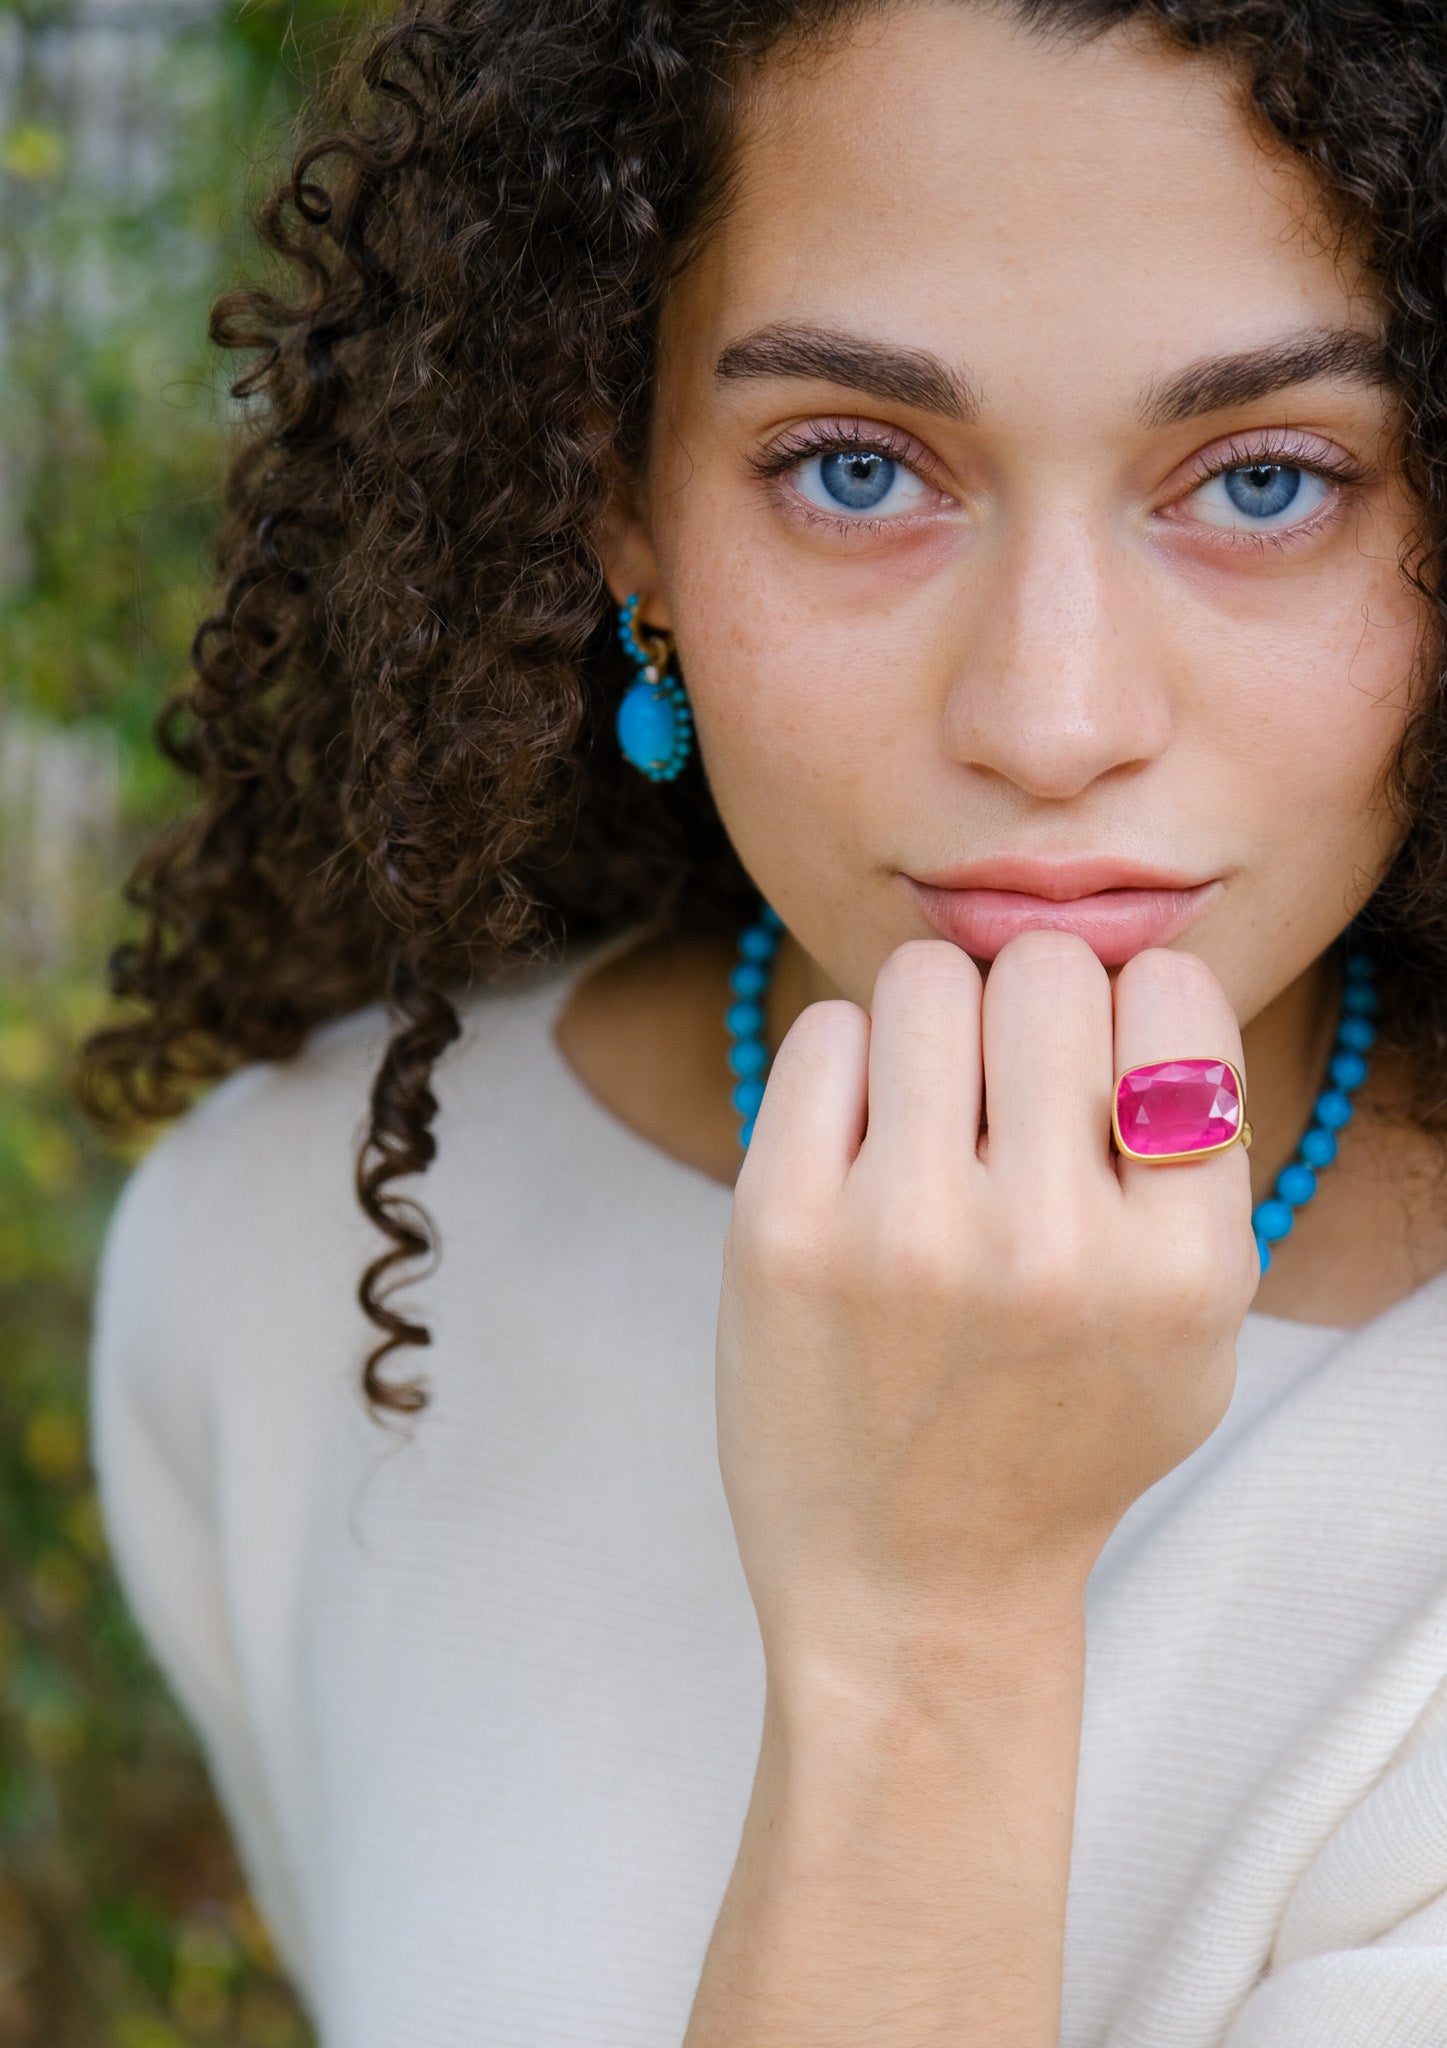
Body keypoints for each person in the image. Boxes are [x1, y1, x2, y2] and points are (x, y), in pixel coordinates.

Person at [81, 0, 1447, 2040]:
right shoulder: (303, 1254)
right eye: (850, 465)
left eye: (1262, 483)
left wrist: (934, 1641)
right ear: (621, 497)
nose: (1049, 717)